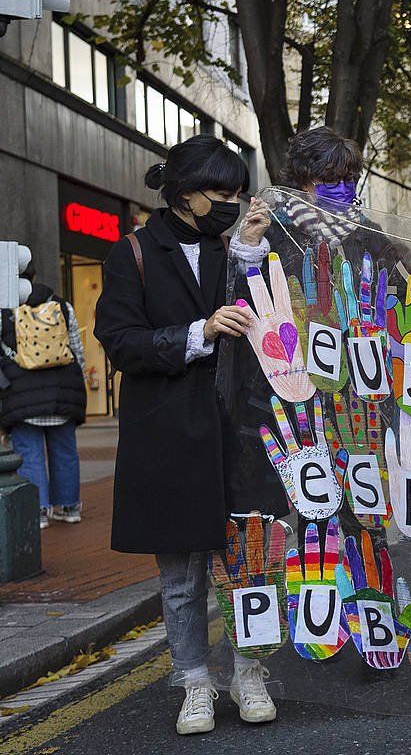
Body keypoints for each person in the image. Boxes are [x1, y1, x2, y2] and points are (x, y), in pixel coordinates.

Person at [94, 135, 275, 737]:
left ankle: (249, 672)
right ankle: (194, 681)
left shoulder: (241, 246)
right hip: (168, 431)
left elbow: (275, 323)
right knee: (180, 574)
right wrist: (199, 331)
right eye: (218, 193)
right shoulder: (134, 253)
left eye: (236, 193)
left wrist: (250, 250)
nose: (228, 203)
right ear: (182, 194)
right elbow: (121, 341)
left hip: (242, 432)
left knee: (250, 562)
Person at [0, 262, 86, 529]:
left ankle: (38, 511)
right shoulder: (62, 305)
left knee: (29, 453)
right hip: (62, 393)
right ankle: (69, 508)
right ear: (35, 275)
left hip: (22, 395)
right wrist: (76, 383)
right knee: (66, 451)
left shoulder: (5, 311)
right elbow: (77, 351)